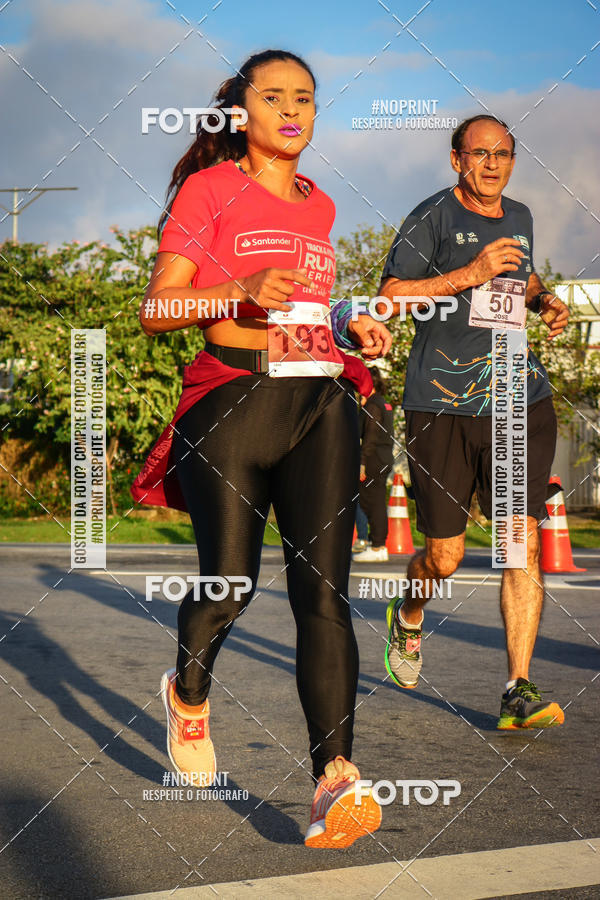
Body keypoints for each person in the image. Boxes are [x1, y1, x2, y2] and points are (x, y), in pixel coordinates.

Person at [131, 50, 391, 847]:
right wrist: (236, 292)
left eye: (303, 98)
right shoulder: (209, 190)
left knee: (325, 597)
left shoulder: (321, 205)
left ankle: (333, 781)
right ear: (241, 112)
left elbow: (307, 308)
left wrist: (348, 323)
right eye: (273, 97)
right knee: (229, 588)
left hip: (318, 403)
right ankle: (188, 693)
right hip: (232, 404)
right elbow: (156, 307)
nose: (291, 110)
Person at [378, 114, 569, 729]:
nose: (492, 164)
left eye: (503, 154)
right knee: (445, 556)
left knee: (520, 540)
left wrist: (543, 299)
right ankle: (409, 614)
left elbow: (522, 275)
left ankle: (518, 689)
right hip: (441, 403)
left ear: (513, 160)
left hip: (516, 395)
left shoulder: (521, 216)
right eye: (479, 153)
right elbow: (390, 295)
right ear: (456, 158)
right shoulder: (430, 217)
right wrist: (470, 274)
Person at [353, 366, 395, 563]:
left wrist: (362, 462)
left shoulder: (373, 406)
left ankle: (377, 546)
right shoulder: (382, 403)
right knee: (375, 501)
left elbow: (370, 436)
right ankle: (378, 545)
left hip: (373, 459)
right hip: (384, 457)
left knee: (372, 502)